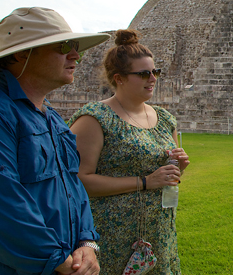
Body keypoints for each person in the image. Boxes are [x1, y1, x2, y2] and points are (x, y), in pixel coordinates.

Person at [0, 7, 110, 274]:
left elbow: (72, 187)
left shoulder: (48, 117)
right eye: (64, 45)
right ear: (21, 54)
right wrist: (60, 262)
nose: (75, 54)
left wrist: (87, 242)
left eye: (75, 46)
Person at [69, 29, 189, 275]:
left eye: (155, 72)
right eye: (143, 74)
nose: (153, 78)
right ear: (119, 78)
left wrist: (177, 168)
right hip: (112, 233)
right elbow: (78, 180)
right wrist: (144, 182)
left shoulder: (165, 119)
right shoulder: (95, 119)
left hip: (158, 232)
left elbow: (165, 176)